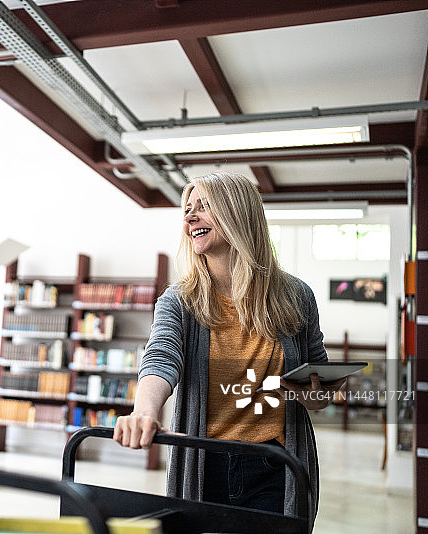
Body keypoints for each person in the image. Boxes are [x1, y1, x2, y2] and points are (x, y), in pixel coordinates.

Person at [113, 171, 344, 529]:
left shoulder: (297, 296)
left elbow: (318, 376)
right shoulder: (179, 301)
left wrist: (319, 391)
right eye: (187, 209)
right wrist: (144, 411)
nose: (190, 218)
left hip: (275, 464)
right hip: (205, 462)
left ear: (238, 214)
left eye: (203, 207)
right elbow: (160, 357)